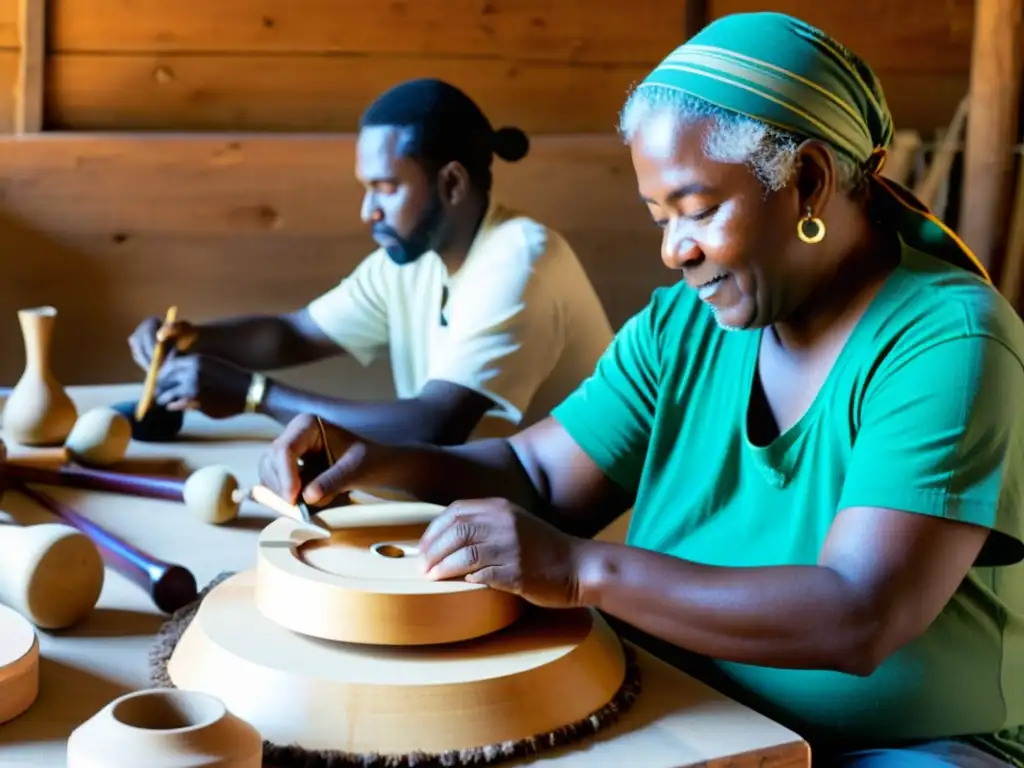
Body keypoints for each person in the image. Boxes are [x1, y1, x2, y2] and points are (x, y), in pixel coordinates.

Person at [256, 12, 1024, 768]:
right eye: (658, 217)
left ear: (810, 182)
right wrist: (372, 460)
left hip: (904, 749)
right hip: (690, 706)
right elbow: (539, 477)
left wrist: (582, 570)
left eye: (697, 210)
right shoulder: (680, 329)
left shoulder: (947, 340)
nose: (673, 252)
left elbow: (861, 614)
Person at [127, 78, 613, 446]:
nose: (368, 211)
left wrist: (256, 396)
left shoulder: (519, 262)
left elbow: (434, 425)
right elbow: (294, 333)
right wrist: (192, 339)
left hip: (579, 543)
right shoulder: (411, 259)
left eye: (385, 188)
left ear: (452, 184)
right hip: (493, 519)